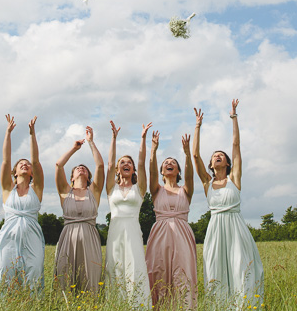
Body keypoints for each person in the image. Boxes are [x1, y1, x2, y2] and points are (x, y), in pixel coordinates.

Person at [192, 100, 264, 306]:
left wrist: (234, 117)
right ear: (211, 163)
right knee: (215, 269)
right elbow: (195, 154)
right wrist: (197, 126)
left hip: (236, 227)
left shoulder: (235, 179)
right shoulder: (207, 182)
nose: (217, 157)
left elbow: (236, 145)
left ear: (227, 162)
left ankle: (244, 306)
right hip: (215, 229)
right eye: (215, 156)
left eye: (221, 156)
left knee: (241, 268)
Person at [0, 114, 45, 294]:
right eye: (21, 164)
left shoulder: (36, 189)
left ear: (31, 173)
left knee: (35, 273)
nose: (25, 165)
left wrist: (32, 135)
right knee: (4, 272)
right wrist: (8, 133)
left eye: (27, 165)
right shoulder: (8, 189)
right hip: (8, 237)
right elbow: (6, 160)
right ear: (14, 172)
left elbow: (36, 161)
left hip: (32, 236)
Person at [145, 129, 197, 309]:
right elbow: (150, 172)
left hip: (182, 234)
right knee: (159, 270)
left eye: (173, 163)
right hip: (160, 233)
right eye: (166, 162)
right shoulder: (156, 190)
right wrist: (153, 149)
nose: (169, 163)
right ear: (161, 170)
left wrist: (187, 153)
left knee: (183, 272)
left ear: (178, 170)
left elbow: (190, 174)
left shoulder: (186, 190)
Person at [104, 120, 152, 306]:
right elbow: (108, 164)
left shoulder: (139, 188)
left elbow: (142, 163)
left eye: (129, 163)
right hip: (115, 232)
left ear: (132, 169)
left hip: (132, 231)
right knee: (114, 269)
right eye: (122, 162)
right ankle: (115, 305)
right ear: (118, 169)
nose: (126, 164)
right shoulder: (111, 188)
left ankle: (138, 306)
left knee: (135, 268)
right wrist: (114, 138)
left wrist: (143, 138)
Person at [54, 126, 105, 293]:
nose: (81, 168)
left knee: (91, 277)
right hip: (68, 237)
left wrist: (91, 142)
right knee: (65, 277)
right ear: (71, 177)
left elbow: (100, 166)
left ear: (89, 177)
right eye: (77, 168)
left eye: (84, 168)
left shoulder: (94, 192)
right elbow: (58, 165)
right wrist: (74, 149)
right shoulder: (64, 191)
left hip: (90, 237)